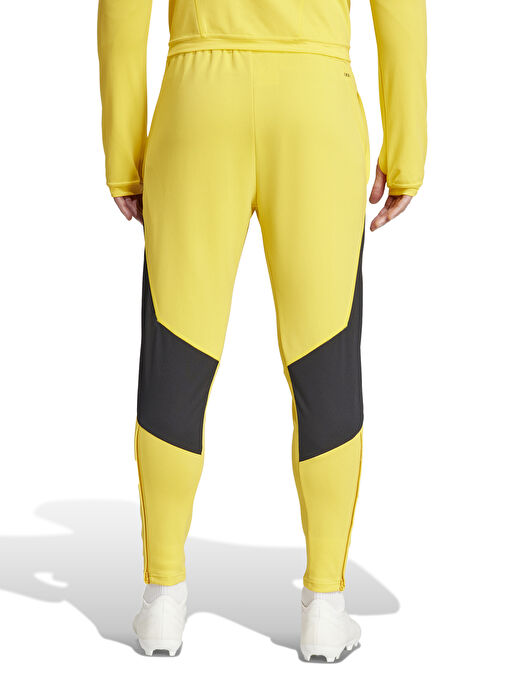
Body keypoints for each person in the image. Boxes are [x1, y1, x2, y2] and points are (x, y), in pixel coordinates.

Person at [97, 0, 427, 661]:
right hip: (316, 107)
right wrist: (407, 148)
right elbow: (400, 10)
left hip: (197, 104)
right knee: (324, 351)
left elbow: (121, 11)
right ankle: (325, 606)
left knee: (177, 345)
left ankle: (162, 598)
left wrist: (123, 153)